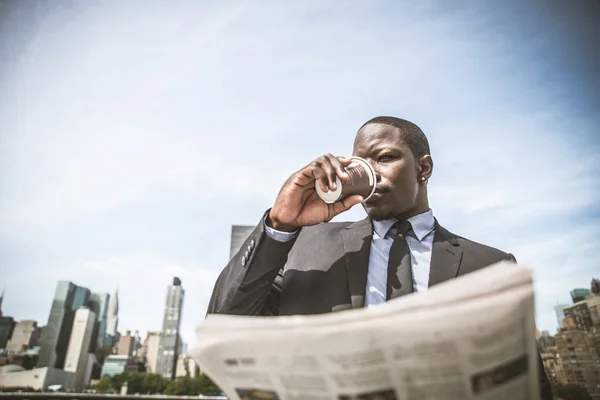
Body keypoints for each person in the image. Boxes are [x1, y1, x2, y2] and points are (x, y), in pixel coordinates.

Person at [207, 116, 552, 399]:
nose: (368, 173)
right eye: (360, 163)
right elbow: (223, 323)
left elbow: (529, 387)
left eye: (384, 158)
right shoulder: (305, 245)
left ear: (424, 168)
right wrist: (280, 223)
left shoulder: (490, 265)